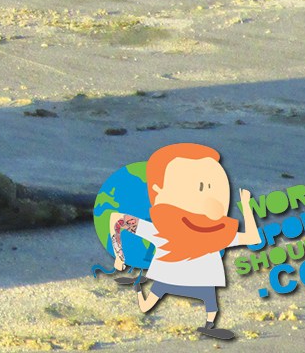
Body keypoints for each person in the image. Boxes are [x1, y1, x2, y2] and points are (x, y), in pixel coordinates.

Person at [108, 142, 261, 342]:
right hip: (168, 278)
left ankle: (209, 326)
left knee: (210, 303)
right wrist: (119, 253)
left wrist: (247, 207)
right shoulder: (163, 232)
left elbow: (252, 238)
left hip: (199, 280)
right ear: (159, 192)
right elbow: (117, 220)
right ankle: (138, 289)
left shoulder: (217, 235)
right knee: (147, 305)